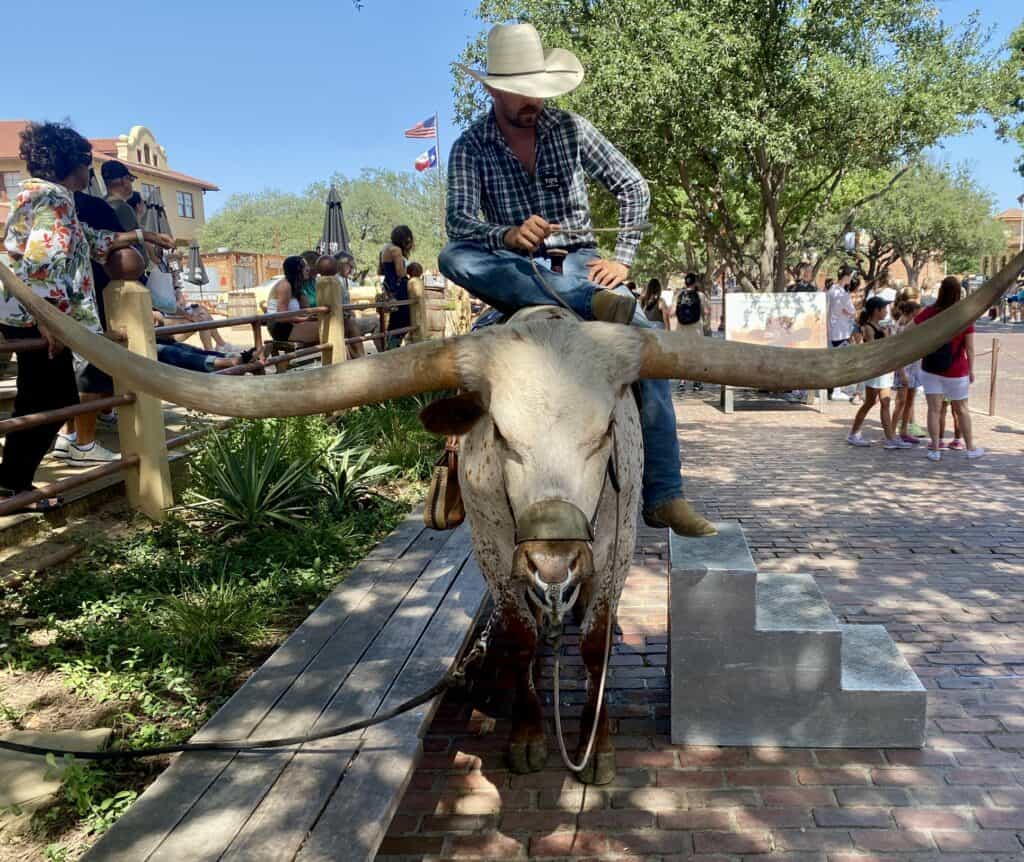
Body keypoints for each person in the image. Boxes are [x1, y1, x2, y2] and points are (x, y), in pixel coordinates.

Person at [438, 22, 714, 537]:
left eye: (539, 90)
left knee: (648, 346)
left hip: (580, 262)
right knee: (453, 257)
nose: (534, 102)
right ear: (493, 88)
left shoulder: (571, 129)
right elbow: (460, 223)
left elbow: (633, 186)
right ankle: (461, 480)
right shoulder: (470, 147)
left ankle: (665, 493)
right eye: (522, 91)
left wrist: (625, 260)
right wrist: (508, 233)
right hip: (511, 271)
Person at [0, 122, 174, 509]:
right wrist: (47, 320)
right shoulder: (54, 199)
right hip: (39, 316)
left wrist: (144, 236)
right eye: (85, 163)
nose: (88, 171)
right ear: (70, 163)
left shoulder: (43, 197)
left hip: (31, 312)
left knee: (41, 395)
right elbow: (41, 264)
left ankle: (13, 481)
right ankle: (14, 484)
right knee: (51, 396)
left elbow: (87, 239)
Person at [911, 275, 984, 462]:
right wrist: (972, 369)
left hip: (930, 368)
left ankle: (935, 450)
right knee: (962, 410)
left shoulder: (930, 312)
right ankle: (970, 449)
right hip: (956, 369)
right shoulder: (964, 315)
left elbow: (909, 330)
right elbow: (970, 348)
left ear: (941, 291)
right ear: (959, 293)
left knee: (933, 410)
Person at [846, 297, 912, 449]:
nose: (886, 311)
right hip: (876, 370)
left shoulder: (880, 327)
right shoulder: (869, 328)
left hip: (883, 370)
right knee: (870, 403)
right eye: (884, 308)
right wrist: (887, 337)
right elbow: (874, 349)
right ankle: (854, 433)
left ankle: (890, 438)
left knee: (885, 402)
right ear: (876, 311)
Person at [892, 294, 925, 445]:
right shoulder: (901, 328)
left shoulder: (912, 326)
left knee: (910, 402)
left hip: (914, 367)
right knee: (901, 402)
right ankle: (892, 432)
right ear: (912, 314)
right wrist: (902, 373)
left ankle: (904, 430)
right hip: (904, 369)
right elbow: (897, 352)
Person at [101, 160, 147, 265]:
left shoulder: (100, 204)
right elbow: (130, 241)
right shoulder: (123, 208)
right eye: (131, 180)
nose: (131, 184)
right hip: (127, 272)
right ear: (124, 180)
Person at [266, 256, 319, 345]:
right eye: (305, 266)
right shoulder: (285, 286)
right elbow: (281, 317)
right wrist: (305, 319)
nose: (308, 268)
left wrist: (310, 316)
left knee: (332, 326)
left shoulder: (296, 286)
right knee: (327, 329)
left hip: (292, 325)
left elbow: (305, 308)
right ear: (297, 269)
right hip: (282, 328)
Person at [380, 226, 414, 349]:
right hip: (399, 288)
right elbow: (400, 272)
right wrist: (410, 268)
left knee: (395, 320)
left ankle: (390, 345)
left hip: (390, 286)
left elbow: (381, 270)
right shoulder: (396, 251)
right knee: (404, 318)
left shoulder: (385, 248)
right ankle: (392, 346)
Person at [827, 266, 857, 401]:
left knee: (834, 359)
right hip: (841, 331)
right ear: (846, 276)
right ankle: (836, 390)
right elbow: (852, 311)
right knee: (840, 360)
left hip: (833, 330)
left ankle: (833, 388)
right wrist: (849, 313)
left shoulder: (831, 290)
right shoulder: (842, 294)